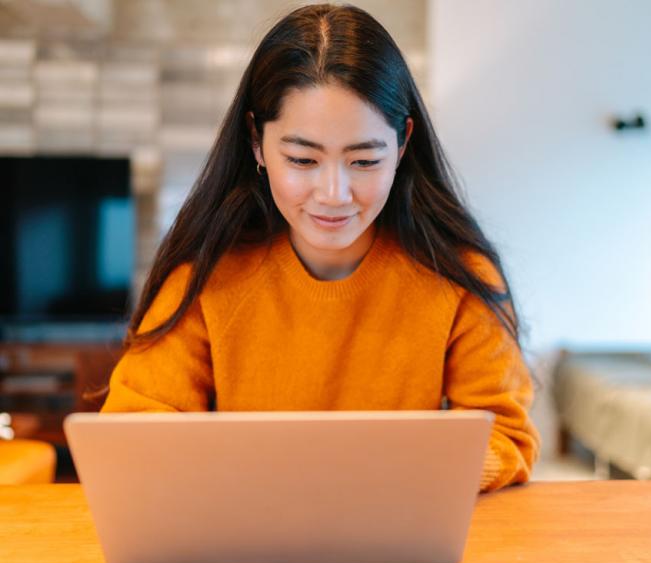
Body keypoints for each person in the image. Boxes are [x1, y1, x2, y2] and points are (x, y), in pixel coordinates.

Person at [101, 3, 539, 492]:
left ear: (402, 145)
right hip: (245, 549)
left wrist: (393, 476)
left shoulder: (458, 276)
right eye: (303, 159)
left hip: (395, 545)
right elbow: (132, 431)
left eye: (364, 160)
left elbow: (505, 435)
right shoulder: (207, 275)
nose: (334, 194)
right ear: (256, 143)